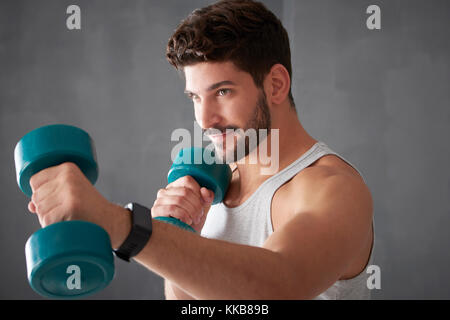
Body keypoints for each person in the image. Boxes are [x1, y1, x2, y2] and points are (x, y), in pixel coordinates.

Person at [27, 0, 374, 299]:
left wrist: (119, 223)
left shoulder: (332, 189)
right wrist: (179, 231)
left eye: (223, 92)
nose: (205, 119)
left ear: (276, 85)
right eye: (196, 97)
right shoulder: (212, 184)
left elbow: (278, 286)